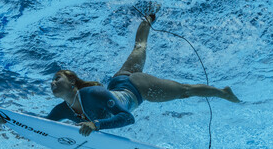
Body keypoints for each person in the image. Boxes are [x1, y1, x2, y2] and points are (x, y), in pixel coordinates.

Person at [41, 10, 240, 136]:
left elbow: (127, 118)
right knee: (139, 47)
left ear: (73, 82)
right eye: (52, 80)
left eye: (57, 78)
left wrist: (96, 125)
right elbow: (40, 124)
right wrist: (12, 124)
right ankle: (149, 18)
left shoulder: (91, 93)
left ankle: (223, 92)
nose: (52, 82)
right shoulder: (62, 110)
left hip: (139, 87)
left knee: (184, 91)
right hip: (118, 81)